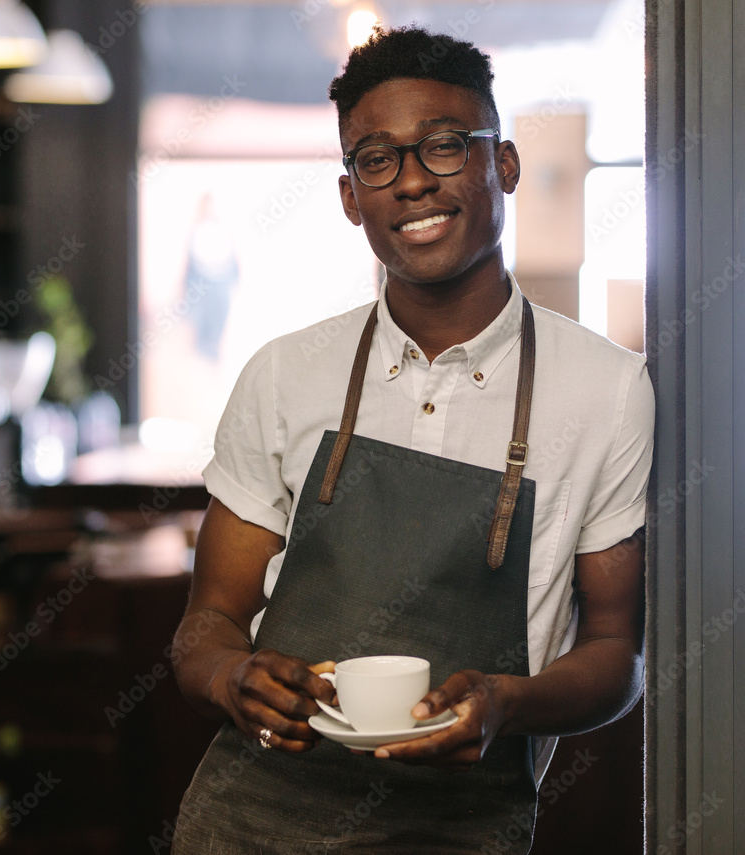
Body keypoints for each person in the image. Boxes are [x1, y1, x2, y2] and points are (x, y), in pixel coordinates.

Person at [169, 23, 654, 854]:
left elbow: (617, 655)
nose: (412, 183)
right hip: (246, 823)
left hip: (458, 831)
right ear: (352, 196)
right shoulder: (285, 375)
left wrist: (507, 703)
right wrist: (231, 675)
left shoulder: (607, 389)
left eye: (442, 146)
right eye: (376, 159)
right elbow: (204, 625)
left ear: (501, 163)